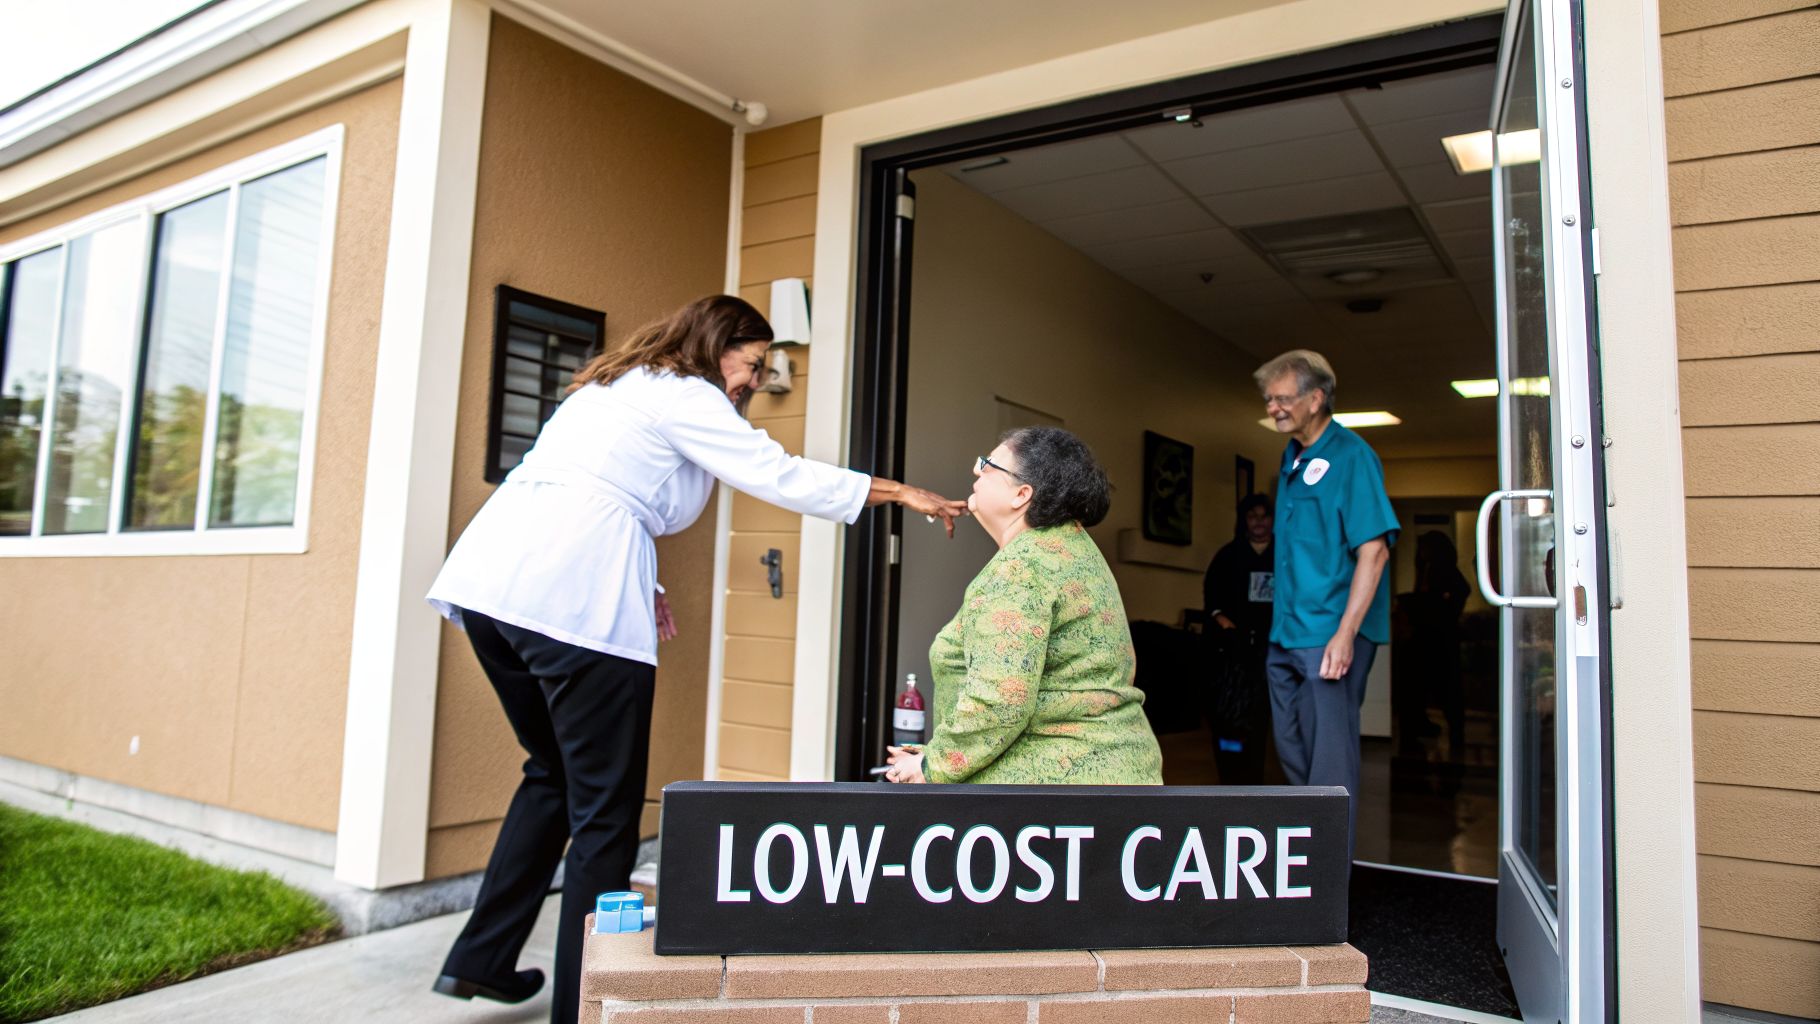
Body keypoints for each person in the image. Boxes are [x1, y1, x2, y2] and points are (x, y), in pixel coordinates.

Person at [425, 295, 968, 1024]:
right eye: (751, 364)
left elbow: (606, 490)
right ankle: (586, 1004)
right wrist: (901, 492)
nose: (753, 380)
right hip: (571, 600)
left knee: (551, 777)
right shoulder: (688, 394)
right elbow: (777, 475)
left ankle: (481, 959)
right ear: (720, 345)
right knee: (606, 815)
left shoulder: (615, 384)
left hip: (494, 586)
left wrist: (643, 584)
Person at [883, 427, 1163, 786]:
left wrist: (932, 766)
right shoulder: (1072, 547)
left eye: (987, 465)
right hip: (1112, 777)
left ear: (1021, 494)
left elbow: (1000, 701)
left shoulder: (1022, 568)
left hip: (1055, 796)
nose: (975, 471)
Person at [1255, 349, 1397, 856]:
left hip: (1328, 635)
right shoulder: (1292, 456)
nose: (1272, 407)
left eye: (1283, 398)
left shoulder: (1352, 455)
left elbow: (1373, 550)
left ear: (1316, 398)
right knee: (1293, 747)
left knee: (1330, 764)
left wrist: (1345, 633)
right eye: (1268, 399)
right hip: (1287, 631)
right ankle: (1309, 860)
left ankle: (1330, 880)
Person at [1202, 493, 1274, 784]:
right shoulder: (1228, 555)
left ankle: (1255, 775)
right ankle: (1229, 776)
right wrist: (1229, 628)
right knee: (1229, 718)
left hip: (1272, 649)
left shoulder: (1284, 556)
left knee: (1261, 719)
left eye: (1264, 515)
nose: (1258, 522)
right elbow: (1213, 602)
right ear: (1244, 521)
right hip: (1232, 652)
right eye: (1252, 516)